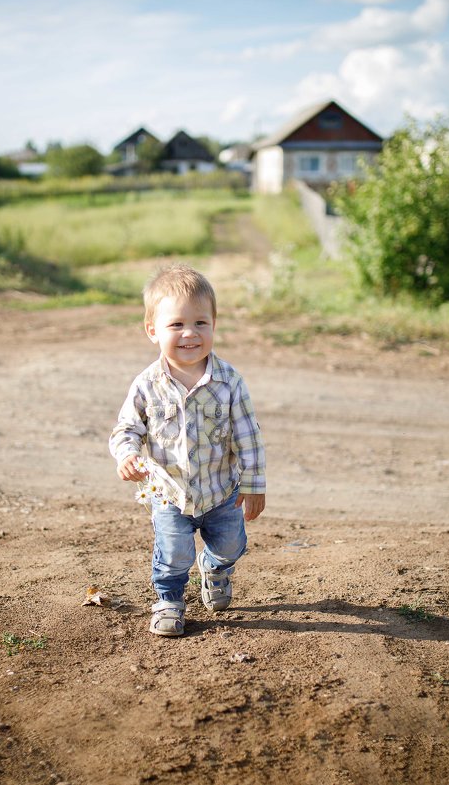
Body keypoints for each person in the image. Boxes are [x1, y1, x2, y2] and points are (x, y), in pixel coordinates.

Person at [110, 263, 266, 637]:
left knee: (232, 544)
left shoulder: (229, 381)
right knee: (174, 552)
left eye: (200, 323)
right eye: (176, 324)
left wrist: (254, 485)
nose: (189, 334)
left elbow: (248, 436)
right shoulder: (147, 384)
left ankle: (214, 567)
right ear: (153, 330)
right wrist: (127, 454)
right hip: (168, 494)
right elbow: (126, 429)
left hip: (221, 491)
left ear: (214, 324)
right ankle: (169, 601)